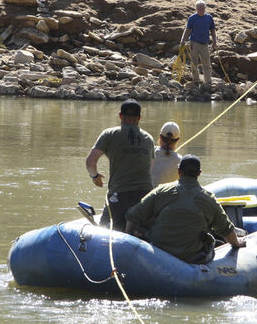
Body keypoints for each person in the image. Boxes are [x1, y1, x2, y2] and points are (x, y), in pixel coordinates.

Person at [125, 155, 245, 264]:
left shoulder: (161, 191)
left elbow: (133, 215)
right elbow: (226, 229)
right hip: (190, 256)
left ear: (178, 171)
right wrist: (237, 243)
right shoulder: (208, 199)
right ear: (199, 173)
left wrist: (129, 236)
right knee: (212, 240)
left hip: (159, 252)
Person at [85, 99, 155, 232]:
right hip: (145, 197)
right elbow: (149, 168)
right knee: (141, 233)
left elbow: (90, 162)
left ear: (120, 116)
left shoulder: (109, 134)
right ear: (139, 118)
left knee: (104, 234)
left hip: (119, 195)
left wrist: (95, 176)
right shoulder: (149, 138)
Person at [180, 0, 217, 88]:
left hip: (205, 44)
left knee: (207, 64)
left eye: (202, 8)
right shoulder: (192, 18)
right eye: (199, 8)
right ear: (196, 8)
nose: (201, 9)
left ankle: (208, 82)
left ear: (205, 8)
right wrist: (183, 40)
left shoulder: (209, 18)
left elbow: (212, 30)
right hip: (194, 44)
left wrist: (215, 41)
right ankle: (196, 81)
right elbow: (188, 30)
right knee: (194, 63)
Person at [150, 121, 183, 187]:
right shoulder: (181, 161)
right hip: (167, 196)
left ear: (160, 136)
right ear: (178, 139)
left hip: (147, 195)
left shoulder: (149, 152)